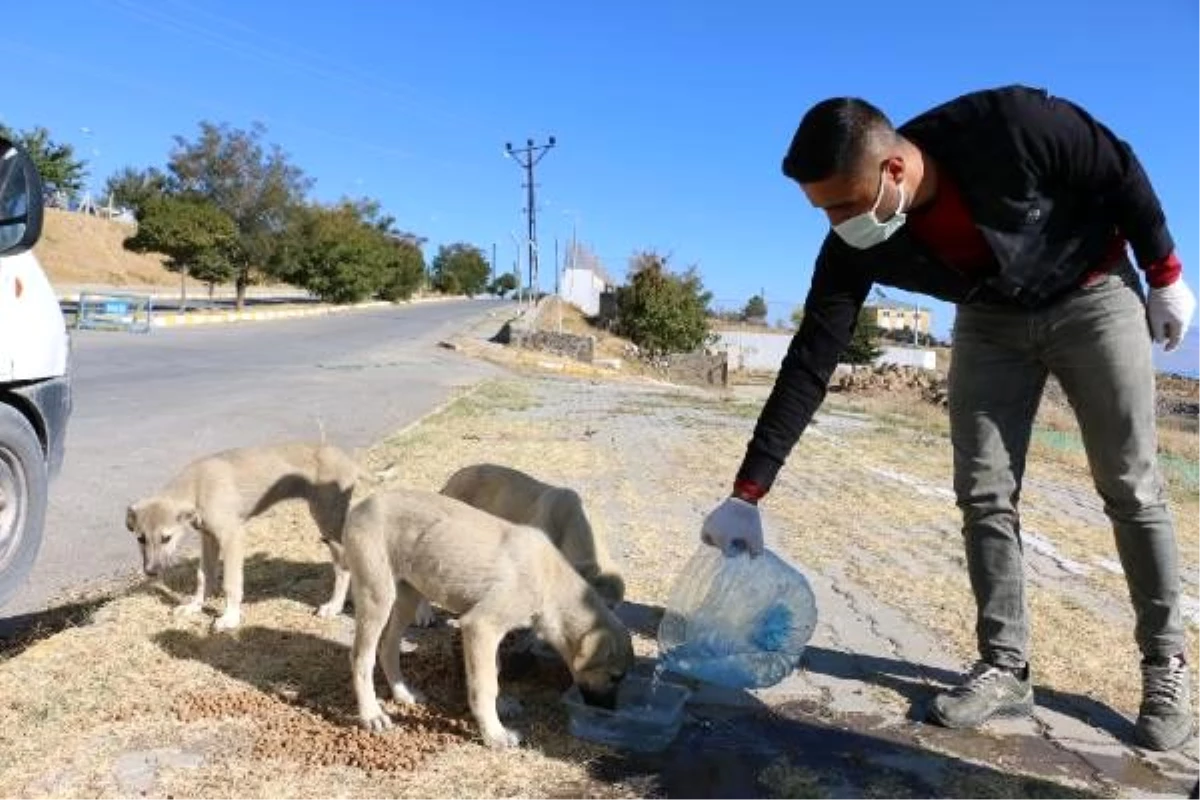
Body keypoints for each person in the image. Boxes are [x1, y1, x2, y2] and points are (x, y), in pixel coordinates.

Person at [699, 85, 1195, 751]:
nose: (837, 223)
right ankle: (1005, 666)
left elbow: (1116, 165)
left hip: (1091, 291)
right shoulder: (855, 240)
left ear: (894, 171)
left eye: (844, 203)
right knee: (984, 492)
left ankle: (1166, 664)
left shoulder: (1009, 125)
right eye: (823, 210)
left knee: (1129, 483)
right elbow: (812, 356)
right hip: (991, 319)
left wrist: (1163, 272)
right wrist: (747, 491)